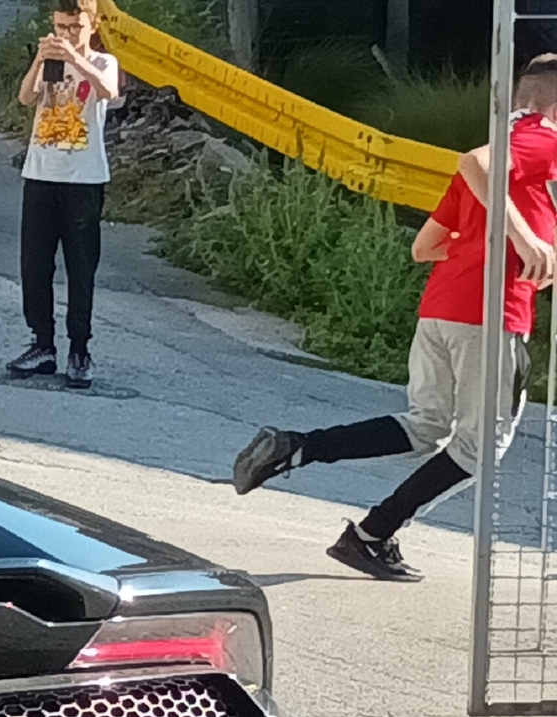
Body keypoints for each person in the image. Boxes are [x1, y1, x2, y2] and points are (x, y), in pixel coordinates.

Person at [229, 55, 557, 581]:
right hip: (492, 315)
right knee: (481, 450)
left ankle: (299, 448)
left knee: (426, 426)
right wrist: (523, 241)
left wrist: (500, 246)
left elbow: (424, 248)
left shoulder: (511, 155)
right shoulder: (540, 137)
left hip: (442, 310)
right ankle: (373, 534)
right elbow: (474, 163)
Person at [7, 0, 123, 390]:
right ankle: (42, 344)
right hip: (41, 173)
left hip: (84, 179)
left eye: (75, 26)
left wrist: (76, 58)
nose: (68, 33)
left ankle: (79, 348)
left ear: (92, 26)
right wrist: (41, 58)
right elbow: (25, 99)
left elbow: (109, 91)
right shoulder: (50, 59)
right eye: (61, 26)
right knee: (35, 265)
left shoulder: (103, 60)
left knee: (80, 268)